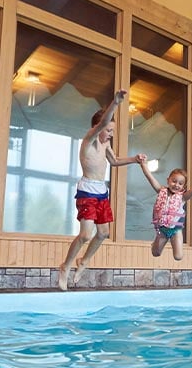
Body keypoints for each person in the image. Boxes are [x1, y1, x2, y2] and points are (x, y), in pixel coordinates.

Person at [58, 89, 145, 291]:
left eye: (113, 131)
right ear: (99, 128)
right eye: (109, 130)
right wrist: (115, 103)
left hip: (101, 193)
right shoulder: (89, 141)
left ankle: (85, 260)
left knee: (104, 233)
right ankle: (66, 266)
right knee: (86, 235)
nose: (111, 134)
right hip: (87, 191)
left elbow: (114, 162)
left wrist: (134, 160)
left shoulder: (106, 146)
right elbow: (103, 123)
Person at [139, 159, 192, 260]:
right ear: (168, 180)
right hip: (162, 229)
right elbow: (150, 178)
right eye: (174, 181)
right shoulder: (161, 191)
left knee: (178, 256)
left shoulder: (183, 197)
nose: (176, 185)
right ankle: (155, 244)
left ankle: (172, 243)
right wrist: (143, 165)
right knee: (156, 253)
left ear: (183, 186)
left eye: (180, 183)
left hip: (175, 230)